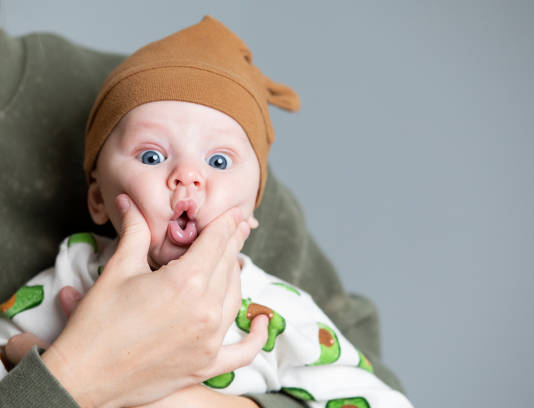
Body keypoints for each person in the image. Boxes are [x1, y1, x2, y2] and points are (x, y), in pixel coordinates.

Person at [0, 16, 410, 408]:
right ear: (98, 199)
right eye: (151, 155)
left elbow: (375, 397)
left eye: (218, 162)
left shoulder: (277, 311)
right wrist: (53, 366)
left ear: (253, 208)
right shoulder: (73, 275)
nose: (187, 176)